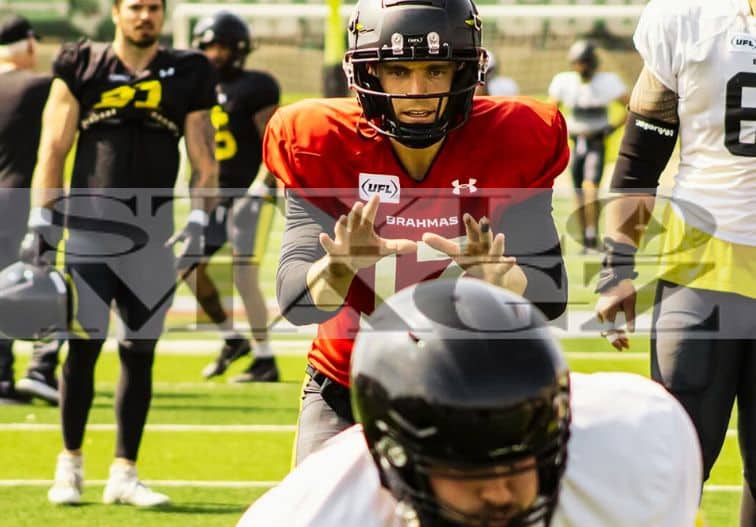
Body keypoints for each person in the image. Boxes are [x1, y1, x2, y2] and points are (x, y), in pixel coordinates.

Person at [269, 0, 569, 465]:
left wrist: (503, 282)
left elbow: (550, 295)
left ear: (464, 71)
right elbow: (298, 304)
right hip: (348, 382)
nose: (417, 90)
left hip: (475, 383)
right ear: (369, 74)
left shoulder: (517, 137)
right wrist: (339, 266)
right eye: (398, 70)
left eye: (435, 70)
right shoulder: (318, 140)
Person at [237, 279, 702, 527]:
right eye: (470, 473)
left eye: (521, 463)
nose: (501, 495)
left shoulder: (641, 444)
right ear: (396, 461)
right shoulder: (314, 515)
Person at [21, 0, 218, 507]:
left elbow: (203, 155)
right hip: (88, 234)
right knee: (82, 349)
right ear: (116, 12)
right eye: (135, 6)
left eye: (154, 7)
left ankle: (124, 473)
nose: (145, 16)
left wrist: (200, 218)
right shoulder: (81, 62)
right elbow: (53, 148)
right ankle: (70, 466)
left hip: (152, 238)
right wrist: (41, 221)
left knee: (140, 352)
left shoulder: (188, 70)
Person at [593, 0, 756, 524]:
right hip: (703, 263)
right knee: (677, 461)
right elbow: (641, 157)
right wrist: (616, 266)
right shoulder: (687, 15)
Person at [190, 11, 281, 383]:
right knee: (187, 267)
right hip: (216, 195)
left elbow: (274, 144)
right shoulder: (196, 89)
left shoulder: (256, 86)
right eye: (209, 45)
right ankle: (232, 339)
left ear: (239, 48)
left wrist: (260, 190)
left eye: (222, 46)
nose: (214, 53)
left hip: (250, 192)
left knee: (244, 276)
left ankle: (265, 359)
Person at [0, 14, 61, 405]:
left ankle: (3, 375)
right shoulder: (38, 85)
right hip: (18, 198)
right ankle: (40, 368)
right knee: (39, 286)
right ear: (28, 46)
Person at [548, 40, 628, 252]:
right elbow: (550, 110)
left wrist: (611, 127)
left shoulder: (607, 82)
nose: (580, 67)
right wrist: (561, 130)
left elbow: (631, 106)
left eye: (584, 63)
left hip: (596, 141)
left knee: (590, 186)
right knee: (577, 189)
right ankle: (585, 236)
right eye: (577, 63)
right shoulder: (565, 82)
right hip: (575, 140)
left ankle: (592, 234)